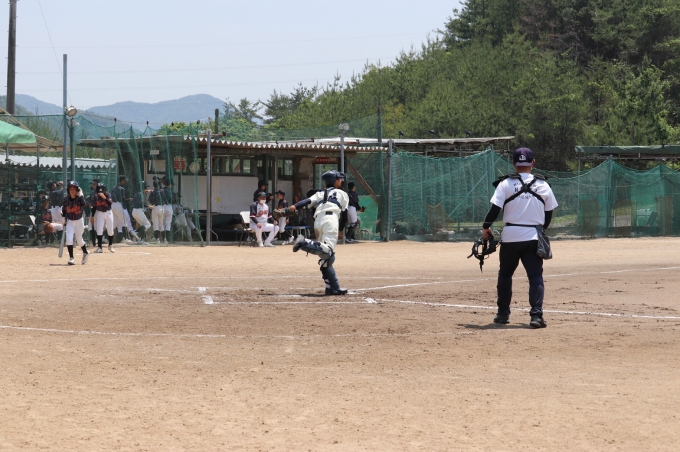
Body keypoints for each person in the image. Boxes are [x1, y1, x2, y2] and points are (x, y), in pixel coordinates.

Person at [482, 147, 558, 329]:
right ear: (533, 163)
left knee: (505, 274)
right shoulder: (544, 185)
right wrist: (541, 230)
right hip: (533, 237)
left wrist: (486, 227)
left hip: (510, 236)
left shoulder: (505, 184)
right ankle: (536, 316)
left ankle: (503, 314)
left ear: (513, 163)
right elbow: (548, 214)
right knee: (535, 276)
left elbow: (494, 210)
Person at [288, 170, 349, 295]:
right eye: (339, 179)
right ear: (335, 180)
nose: (341, 181)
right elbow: (345, 215)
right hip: (331, 220)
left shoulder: (320, 193)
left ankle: (332, 288)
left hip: (318, 220)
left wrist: (294, 206)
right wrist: (341, 230)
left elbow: (306, 201)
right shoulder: (342, 193)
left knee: (326, 257)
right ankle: (304, 242)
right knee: (328, 251)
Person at [61, 181, 90, 265]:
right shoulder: (66, 199)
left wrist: (81, 196)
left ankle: (85, 252)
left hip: (79, 221)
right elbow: (64, 210)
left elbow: (84, 205)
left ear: (77, 190)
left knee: (79, 240)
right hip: (70, 221)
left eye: (74, 189)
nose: (72, 191)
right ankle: (71, 258)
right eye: (70, 189)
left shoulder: (79, 198)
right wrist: (63, 218)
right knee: (69, 239)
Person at [111, 175, 140, 243]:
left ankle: (104, 236)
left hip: (113, 205)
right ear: (122, 181)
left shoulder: (113, 188)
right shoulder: (121, 189)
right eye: (124, 181)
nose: (124, 182)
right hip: (118, 205)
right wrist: (128, 199)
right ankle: (124, 238)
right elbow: (122, 199)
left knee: (114, 224)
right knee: (124, 222)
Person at [92, 182, 116, 253]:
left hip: (108, 213)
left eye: (101, 189)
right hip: (100, 213)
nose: (100, 191)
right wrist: (92, 216)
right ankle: (99, 247)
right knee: (99, 230)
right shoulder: (95, 196)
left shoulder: (108, 194)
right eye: (99, 189)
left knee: (110, 230)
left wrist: (104, 198)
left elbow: (109, 203)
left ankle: (110, 245)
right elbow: (94, 207)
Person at [162, 177, 175, 243]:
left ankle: (162, 239)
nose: (171, 185)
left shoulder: (162, 190)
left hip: (162, 207)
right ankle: (167, 239)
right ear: (169, 184)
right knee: (168, 223)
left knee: (162, 223)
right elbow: (173, 199)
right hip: (169, 207)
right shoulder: (170, 191)